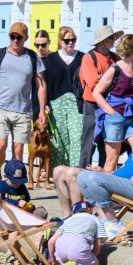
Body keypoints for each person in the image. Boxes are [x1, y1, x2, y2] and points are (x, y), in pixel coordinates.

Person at [53, 114, 133, 217]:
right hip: (112, 179)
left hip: (126, 187)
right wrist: (104, 172)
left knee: (72, 173)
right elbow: (124, 171)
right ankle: (67, 217)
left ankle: (80, 218)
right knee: (58, 170)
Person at [0, 22, 47, 184]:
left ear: (26, 39)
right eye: (12, 37)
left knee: (18, 150)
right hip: (0, 108)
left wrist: (42, 111)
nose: (15, 40)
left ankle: (13, 184)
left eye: (19, 37)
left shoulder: (32, 57)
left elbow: (41, 85)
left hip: (23, 111)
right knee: (1, 145)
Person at [93, 34, 133, 173]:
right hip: (115, 117)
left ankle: (130, 185)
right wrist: (110, 111)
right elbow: (97, 92)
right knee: (112, 158)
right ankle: (105, 191)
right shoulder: (115, 69)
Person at [78, 25, 122, 169]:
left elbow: (123, 77)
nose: (113, 40)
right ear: (102, 41)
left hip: (110, 104)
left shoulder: (115, 58)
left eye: (113, 37)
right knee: (89, 142)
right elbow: (93, 84)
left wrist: (105, 79)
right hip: (92, 105)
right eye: (111, 37)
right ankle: (82, 174)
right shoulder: (89, 57)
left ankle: (104, 175)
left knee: (107, 142)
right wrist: (111, 82)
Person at [43, 26, 84, 168]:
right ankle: (58, 172)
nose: (70, 43)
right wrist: (45, 104)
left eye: (73, 40)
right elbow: (44, 84)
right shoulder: (50, 59)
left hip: (76, 103)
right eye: (67, 40)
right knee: (59, 140)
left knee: (76, 137)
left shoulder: (83, 58)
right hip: (56, 103)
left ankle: (75, 172)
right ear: (60, 41)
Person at [46, 200, 104, 265]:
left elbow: (51, 242)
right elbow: (96, 248)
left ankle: (62, 264)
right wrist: (90, 259)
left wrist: (53, 260)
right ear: (90, 211)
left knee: (67, 257)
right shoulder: (97, 221)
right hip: (78, 248)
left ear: (74, 212)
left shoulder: (67, 221)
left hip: (61, 249)